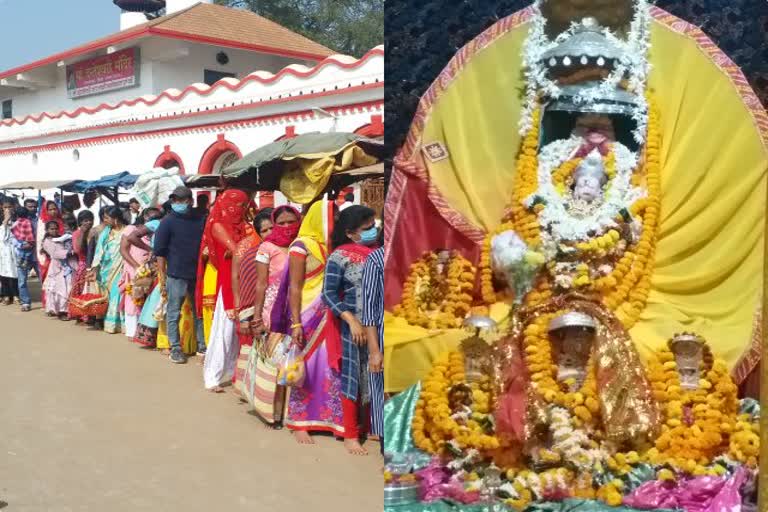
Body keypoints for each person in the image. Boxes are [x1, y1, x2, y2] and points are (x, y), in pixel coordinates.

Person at [279, 199, 345, 443]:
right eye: (333, 216)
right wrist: (295, 322)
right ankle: (300, 422)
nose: (336, 221)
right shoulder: (300, 246)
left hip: (331, 313)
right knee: (303, 368)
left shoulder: (332, 246)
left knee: (330, 366)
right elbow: (294, 288)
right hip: (307, 314)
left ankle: (331, 418)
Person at [322, 205, 379, 455]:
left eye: (373, 226)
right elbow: (328, 293)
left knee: (376, 373)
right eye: (367, 228)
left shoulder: (379, 254)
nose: (373, 231)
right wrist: (350, 320)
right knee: (353, 376)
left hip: (378, 323)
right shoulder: (339, 256)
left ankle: (372, 426)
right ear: (349, 233)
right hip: (353, 326)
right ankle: (350, 434)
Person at [200, 189, 251, 390]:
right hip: (229, 283)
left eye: (244, 205)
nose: (241, 209)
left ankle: (233, 372)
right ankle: (212, 376)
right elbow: (238, 251)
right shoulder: (218, 226)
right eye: (238, 205)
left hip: (244, 281)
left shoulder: (244, 227)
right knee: (224, 331)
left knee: (238, 333)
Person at [153, 186, 206, 364]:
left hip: (197, 273)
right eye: (175, 200)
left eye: (182, 200)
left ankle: (202, 345)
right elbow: (159, 251)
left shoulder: (199, 219)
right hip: (176, 273)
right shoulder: (167, 222)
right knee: (174, 312)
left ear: (190, 201)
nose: (178, 203)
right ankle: (175, 348)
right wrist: (162, 275)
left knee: (198, 312)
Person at [361, 231, 384, 454]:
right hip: (385, 338)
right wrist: (374, 350)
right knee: (383, 393)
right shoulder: (376, 260)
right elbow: (369, 309)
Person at [120, 208, 160, 338]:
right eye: (151, 218)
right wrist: (136, 266)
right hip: (134, 267)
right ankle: (132, 331)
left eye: (157, 218)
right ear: (144, 217)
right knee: (133, 298)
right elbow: (123, 250)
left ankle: (144, 331)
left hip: (150, 268)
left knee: (147, 298)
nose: (153, 220)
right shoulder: (131, 229)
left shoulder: (153, 231)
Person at [89, 206, 128, 334]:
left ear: (115, 219)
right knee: (106, 294)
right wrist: (94, 269)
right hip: (106, 269)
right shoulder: (106, 231)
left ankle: (116, 325)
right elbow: (99, 250)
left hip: (121, 267)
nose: (104, 220)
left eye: (107, 218)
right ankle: (104, 320)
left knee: (117, 293)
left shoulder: (127, 231)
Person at [41, 221, 77, 320]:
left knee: (69, 288)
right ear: (47, 230)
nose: (54, 230)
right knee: (59, 290)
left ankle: (69, 310)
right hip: (57, 268)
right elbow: (54, 253)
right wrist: (69, 253)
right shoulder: (47, 241)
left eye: (56, 228)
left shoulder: (62, 238)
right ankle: (61, 311)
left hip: (68, 267)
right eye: (52, 229)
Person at [68, 211, 95, 323]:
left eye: (90, 220)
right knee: (82, 290)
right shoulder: (76, 233)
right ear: (80, 222)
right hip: (83, 265)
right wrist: (83, 233)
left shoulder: (95, 232)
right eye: (85, 220)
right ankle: (81, 314)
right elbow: (78, 249)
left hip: (95, 265)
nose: (88, 222)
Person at [11, 206, 36, 312]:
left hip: (34, 256)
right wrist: (22, 245)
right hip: (22, 253)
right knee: (22, 280)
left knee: (45, 279)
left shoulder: (35, 222)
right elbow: (12, 238)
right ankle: (25, 302)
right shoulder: (16, 224)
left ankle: (49, 302)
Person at [0, 199, 19, 305]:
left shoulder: (19, 219)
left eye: (9, 207)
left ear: (14, 207)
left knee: (14, 272)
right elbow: (2, 237)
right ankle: (6, 295)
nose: (7, 209)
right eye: (5, 207)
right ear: (2, 208)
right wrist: (5, 221)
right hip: (2, 250)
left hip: (14, 249)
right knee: (3, 273)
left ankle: (16, 294)